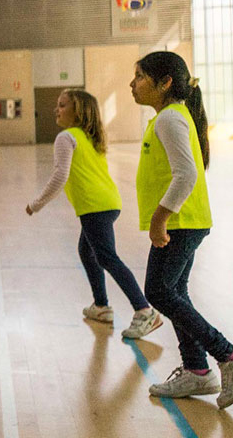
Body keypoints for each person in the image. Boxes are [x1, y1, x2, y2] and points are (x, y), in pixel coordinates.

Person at [130, 52, 233, 408]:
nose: (132, 84)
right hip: (186, 220)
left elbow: (185, 174)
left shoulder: (170, 118)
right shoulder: (169, 117)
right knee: (174, 291)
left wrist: (159, 219)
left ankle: (229, 355)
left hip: (180, 222)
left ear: (165, 82)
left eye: (139, 76)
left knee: (158, 291)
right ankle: (197, 370)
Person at [26, 89, 160, 338]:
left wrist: (36, 203)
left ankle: (144, 310)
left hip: (94, 206)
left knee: (107, 257)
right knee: (86, 251)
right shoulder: (90, 137)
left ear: (78, 111)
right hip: (109, 202)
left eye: (62, 105)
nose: (56, 109)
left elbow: (60, 175)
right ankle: (101, 306)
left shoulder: (66, 137)